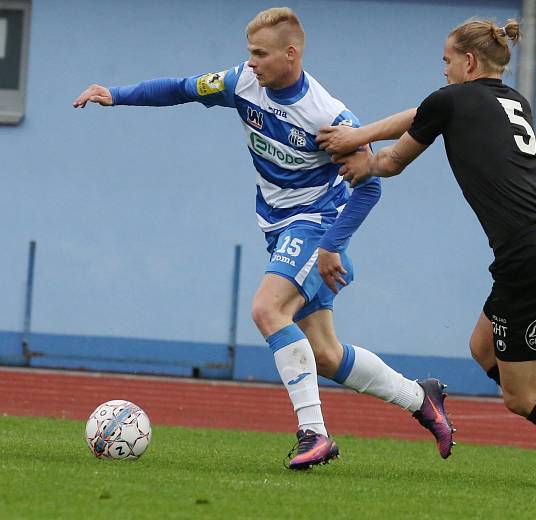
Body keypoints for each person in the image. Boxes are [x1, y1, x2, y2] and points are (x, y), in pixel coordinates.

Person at [72, 7, 454, 470]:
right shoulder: (241, 83)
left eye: (259, 54)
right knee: (326, 356)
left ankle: (314, 433)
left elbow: (369, 185)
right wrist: (115, 94)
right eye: (249, 53)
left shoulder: (329, 115)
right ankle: (421, 398)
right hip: (277, 229)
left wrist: (333, 243)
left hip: (315, 224)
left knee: (266, 309)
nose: (250, 62)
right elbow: (181, 88)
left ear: (290, 54)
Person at [318, 18, 536, 491]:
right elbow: (424, 112)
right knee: (482, 348)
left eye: (447, 60)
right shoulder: (513, 100)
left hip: (528, 260)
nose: (445, 69)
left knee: (522, 396)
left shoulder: (451, 100)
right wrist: (356, 138)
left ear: (468, 61)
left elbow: (392, 161)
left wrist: (362, 159)